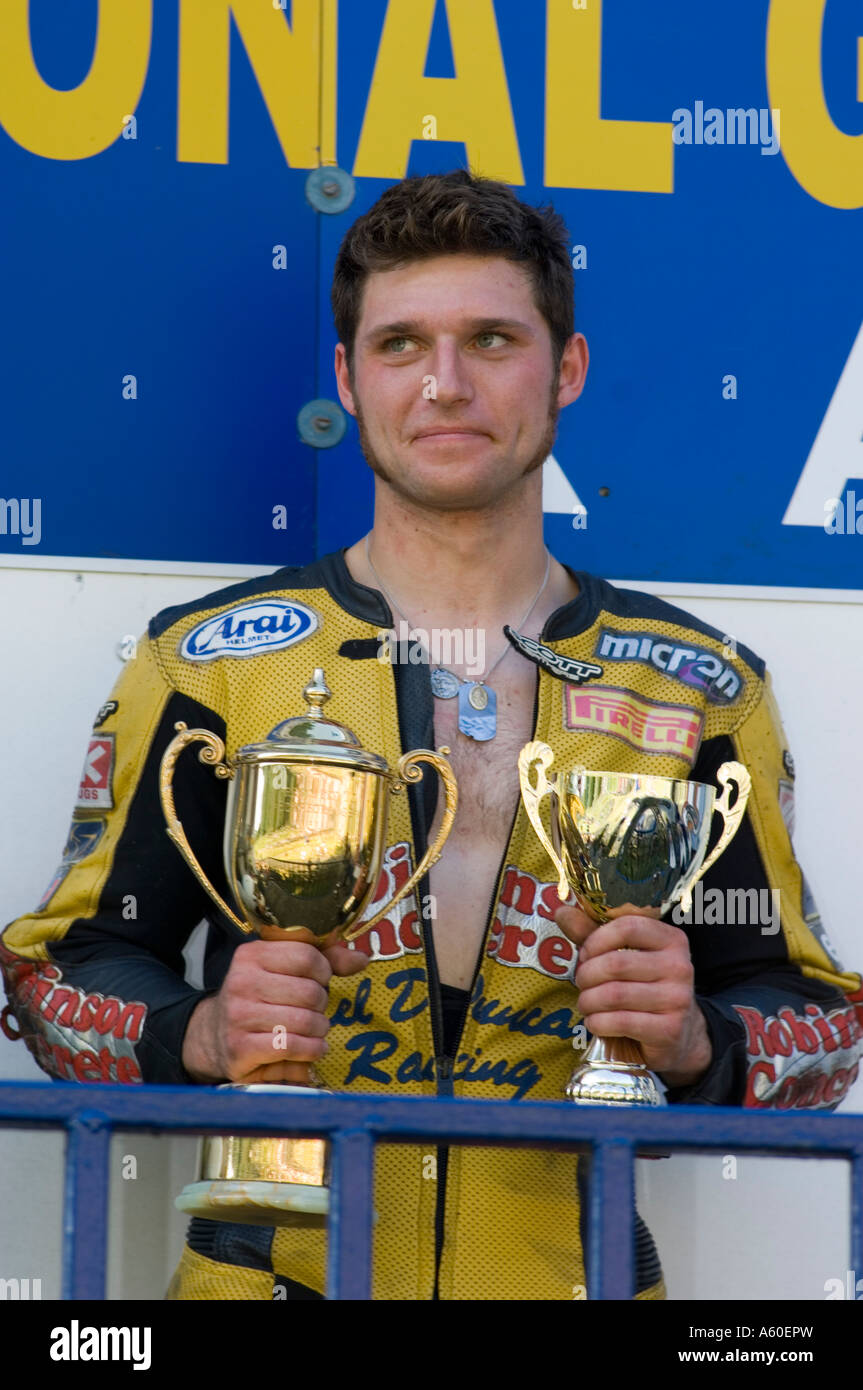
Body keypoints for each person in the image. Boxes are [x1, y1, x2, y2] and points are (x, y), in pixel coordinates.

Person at [2, 170, 860, 1302]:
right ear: (349, 380)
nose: (444, 385)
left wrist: (697, 1038)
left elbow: (812, 1020)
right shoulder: (206, 664)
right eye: (400, 344)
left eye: (490, 339)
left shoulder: (697, 690)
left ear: (564, 369)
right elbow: (56, 974)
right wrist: (201, 1035)